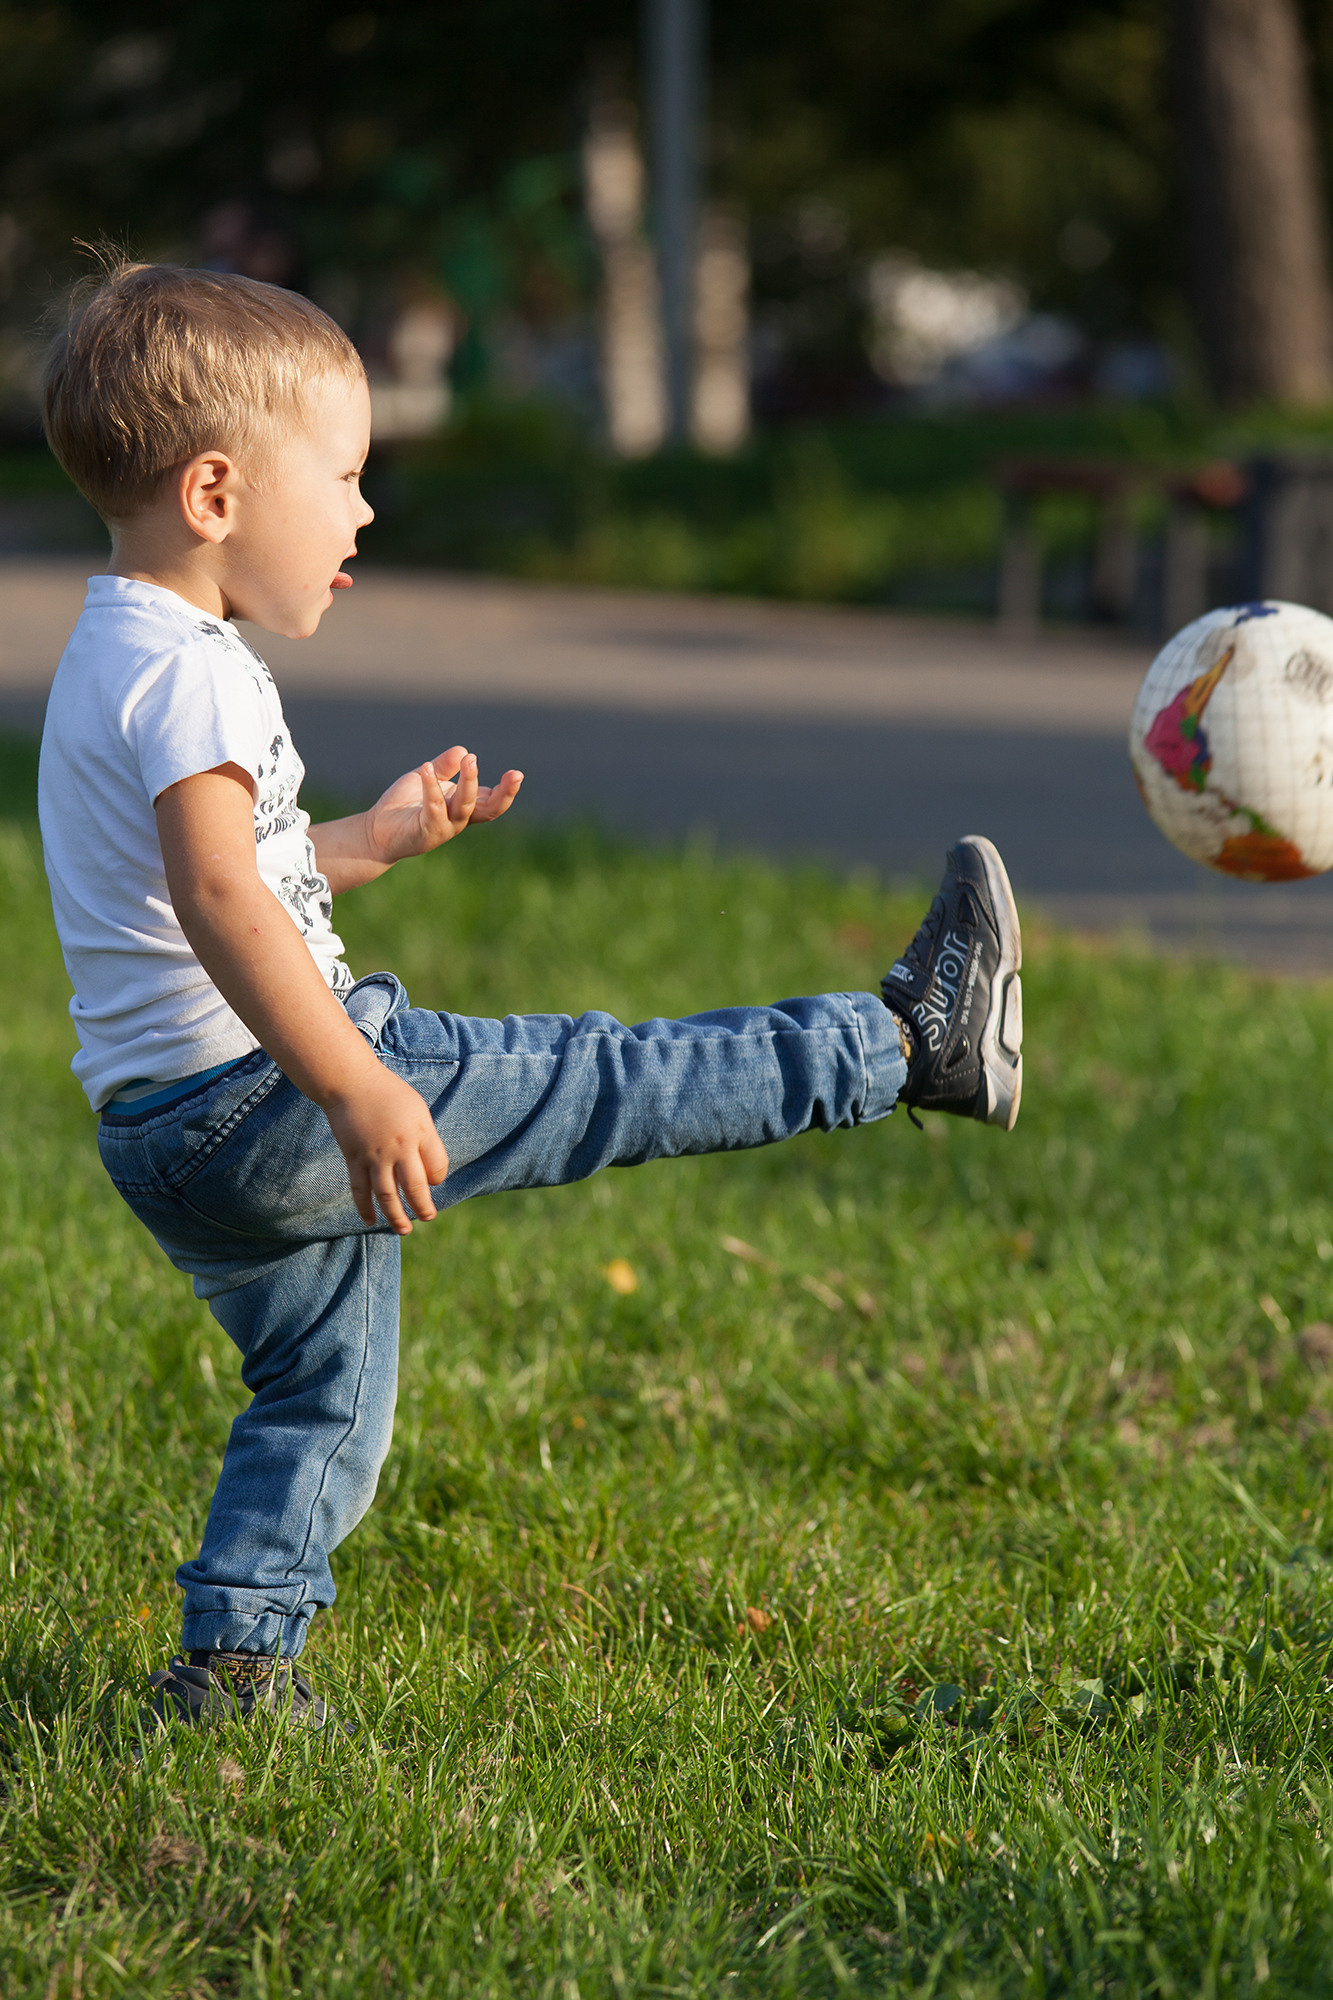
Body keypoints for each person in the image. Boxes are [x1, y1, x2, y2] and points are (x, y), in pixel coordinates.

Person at [37, 261, 1024, 1733]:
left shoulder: (109, 652)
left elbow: (217, 880)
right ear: (218, 495)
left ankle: (238, 1668)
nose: (366, 514)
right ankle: (902, 1043)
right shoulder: (197, 675)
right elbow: (223, 903)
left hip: (167, 1130)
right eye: (348, 479)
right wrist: (356, 1084)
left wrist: (371, 839)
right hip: (271, 1097)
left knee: (322, 1389)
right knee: (605, 1080)